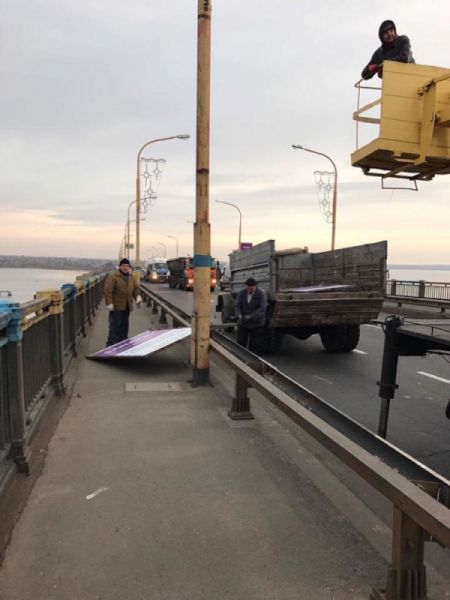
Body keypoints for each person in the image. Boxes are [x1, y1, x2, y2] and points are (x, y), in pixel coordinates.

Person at [104, 258, 142, 346]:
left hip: (127, 306)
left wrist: (138, 298)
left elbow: (135, 289)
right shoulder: (113, 276)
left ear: (129, 267)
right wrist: (109, 303)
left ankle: (122, 346)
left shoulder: (131, 277)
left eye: (127, 266)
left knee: (124, 326)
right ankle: (111, 347)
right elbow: (108, 291)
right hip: (116, 307)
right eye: (123, 266)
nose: (125, 268)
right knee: (115, 327)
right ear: (120, 267)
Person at [235, 277, 267, 353]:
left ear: (255, 286)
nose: (249, 289)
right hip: (243, 323)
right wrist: (239, 315)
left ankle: (252, 357)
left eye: (251, 288)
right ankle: (240, 357)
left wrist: (251, 316)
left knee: (254, 345)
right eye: (248, 288)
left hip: (256, 324)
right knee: (241, 343)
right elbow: (237, 305)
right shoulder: (242, 293)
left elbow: (262, 309)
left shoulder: (261, 294)